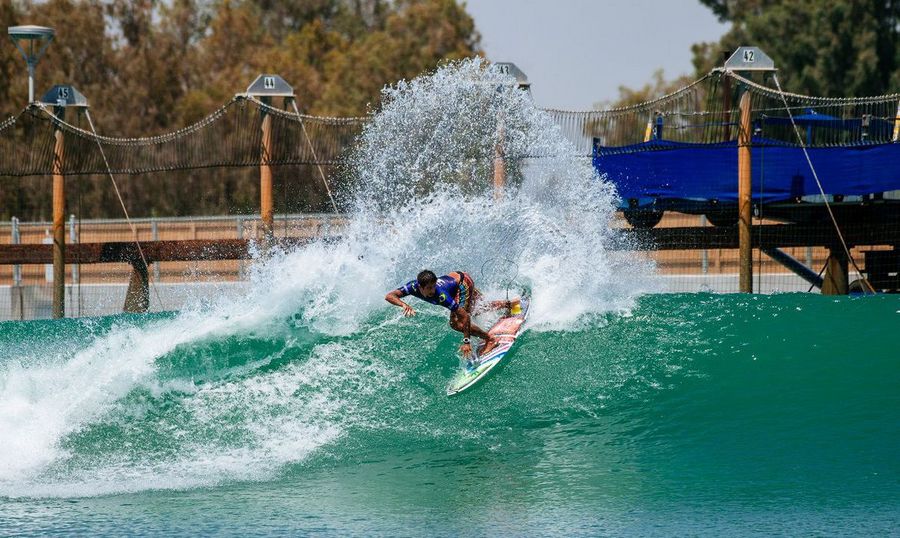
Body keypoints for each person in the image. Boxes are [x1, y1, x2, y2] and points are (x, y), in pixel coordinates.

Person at [385, 269, 507, 359]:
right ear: (420, 287)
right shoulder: (411, 287)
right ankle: (510, 304)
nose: (432, 291)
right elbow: (390, 296)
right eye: (429, 288)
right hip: (458, 278)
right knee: (475, 309)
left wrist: (466, 341)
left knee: (456, 322)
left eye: (433, 286)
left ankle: (490, 340)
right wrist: (403, 304)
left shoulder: (441, 296)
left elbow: (464, 316)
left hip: (463, 284)